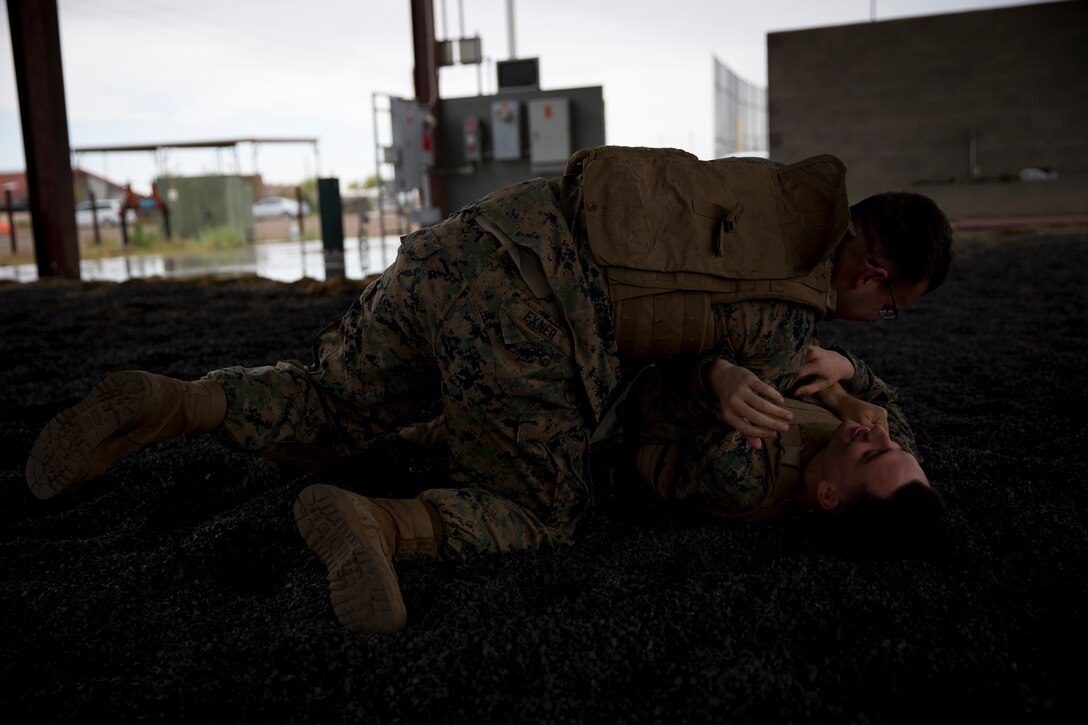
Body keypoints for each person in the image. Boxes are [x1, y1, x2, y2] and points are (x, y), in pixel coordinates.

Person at [25, 145, 953, 634]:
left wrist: (837, 384)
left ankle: (174, 401)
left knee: (333, 396)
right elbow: (657, 404)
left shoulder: (768, 199)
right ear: (867, 275)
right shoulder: (784, 329)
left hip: (471, 237)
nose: (879, 328)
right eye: (893, 307)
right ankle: (380, 522)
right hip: (531, 315)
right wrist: (816, 377)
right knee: (538, 511)